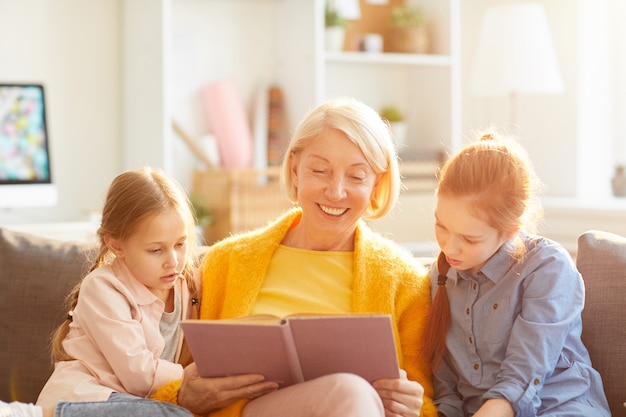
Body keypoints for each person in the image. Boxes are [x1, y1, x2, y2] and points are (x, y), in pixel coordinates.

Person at [152, 96, 436, 417]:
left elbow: (424, 403)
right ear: (295, 169)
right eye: (320, 170)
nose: (336, 191)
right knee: (350, 391)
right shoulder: (224, 263)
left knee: (352, 394)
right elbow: (167, 379)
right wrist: (184, 395)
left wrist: (412, 408)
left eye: (357, 176)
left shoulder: (406, 283)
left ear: (376, 185)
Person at [423, 132, 611, 417]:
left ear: (510, 230)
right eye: (441, 226)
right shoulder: (441, 275)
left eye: (470, 239)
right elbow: (447, 390)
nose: (449, 247)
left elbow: (521, 379)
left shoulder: (547, 267)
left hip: (560, 406)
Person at [31, 167, 202, 417]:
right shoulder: (102, 288)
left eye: (180, 244)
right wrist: (191, 375)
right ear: (116, 245)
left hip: (139, 404)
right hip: (82, 400)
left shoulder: (189, 285)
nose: (173, 261)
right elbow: (139, 376)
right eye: (156, 250)